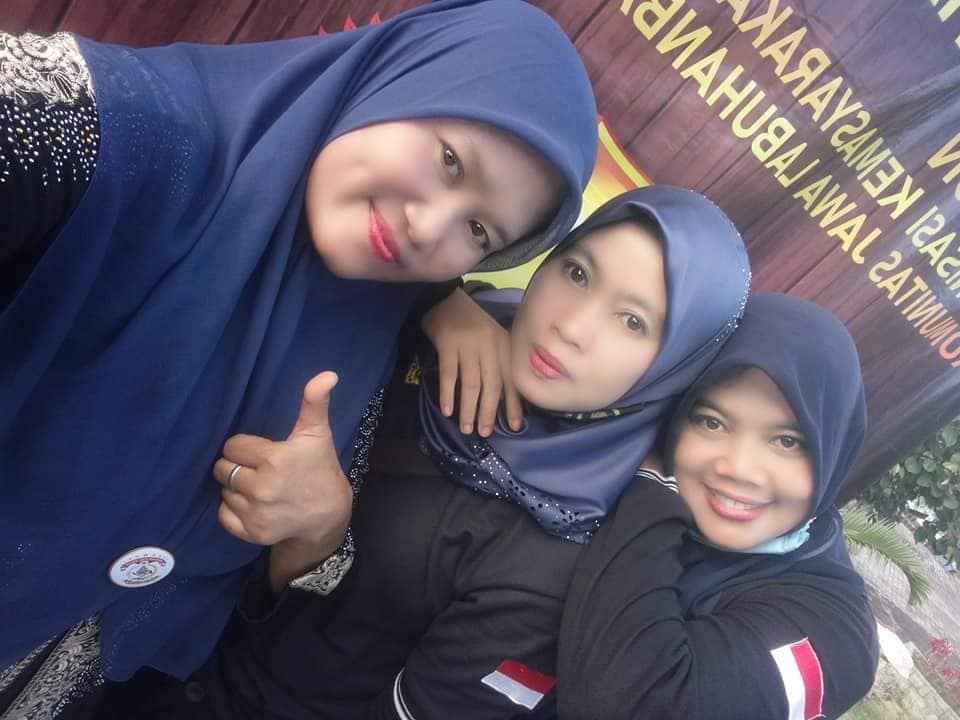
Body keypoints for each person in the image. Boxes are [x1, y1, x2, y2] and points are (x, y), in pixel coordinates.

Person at [0, 1, 598, 712]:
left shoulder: (369, 333)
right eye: (449, 160)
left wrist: (319, 531)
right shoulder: (113, 125)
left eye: (478, 230)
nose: (426, 226)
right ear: (401, 79)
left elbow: (275, 592)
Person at [102, 185, 749, 718]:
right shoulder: (445, 326)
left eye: (633, 322)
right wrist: (435, 296)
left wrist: (314, 544)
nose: (572, 326)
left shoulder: (554, 555)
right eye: (577, 273)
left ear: (675, 366)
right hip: (124, 631)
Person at [557, 293, 880, 719]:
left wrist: (652, 485)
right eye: (711, 421)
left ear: (833, 451)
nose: (739, 468)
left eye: (788, 441)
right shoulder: (596, 467)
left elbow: (633, 704)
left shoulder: (836, 633)